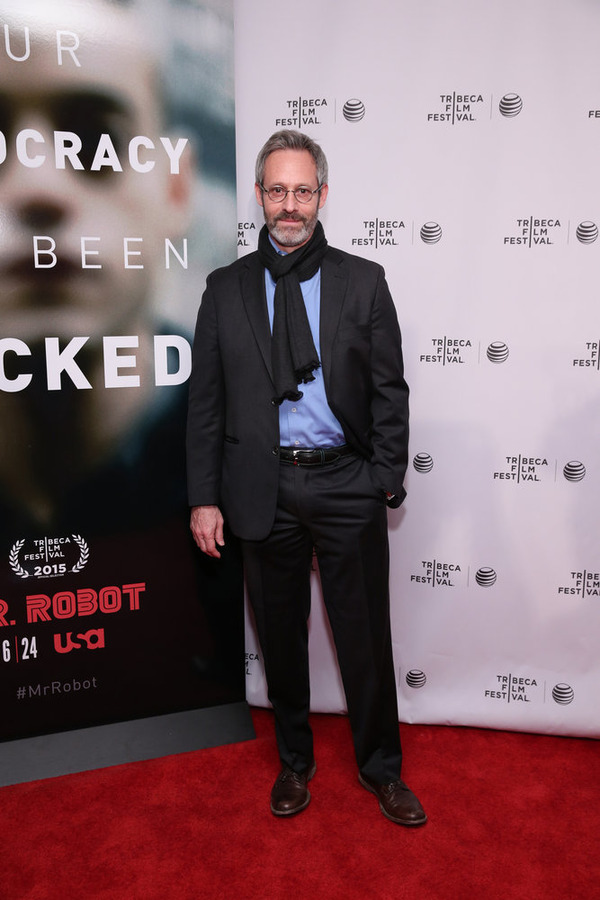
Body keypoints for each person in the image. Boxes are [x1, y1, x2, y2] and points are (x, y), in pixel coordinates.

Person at [187, 129, 426, 826]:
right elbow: (206, 403)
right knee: (281, 639)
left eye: (301, 190)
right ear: (260, 195)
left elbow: (390, 391)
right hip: (261, 492)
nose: (288, 206)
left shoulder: (362, 280)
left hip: (347, 484)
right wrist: (204, 496)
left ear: (322, 194)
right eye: (275, 190)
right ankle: (295, 763)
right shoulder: (224, 289)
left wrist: (384, 476)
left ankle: (382, 769)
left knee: (364, 639)